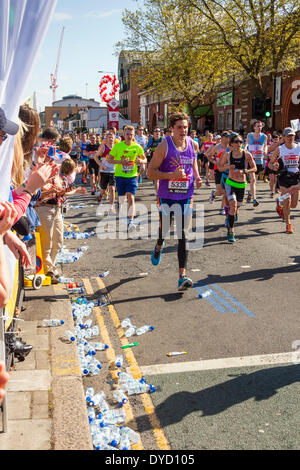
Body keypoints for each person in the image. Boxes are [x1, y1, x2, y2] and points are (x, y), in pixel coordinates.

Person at [147, 111, 202, 290]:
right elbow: (150, 172)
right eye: (179, 127)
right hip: (166, 195)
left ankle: (182, 276)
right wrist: (172, 175)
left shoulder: (193, 144)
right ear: (171, 129)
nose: (183, 130)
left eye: (186, 127)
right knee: (165, 230)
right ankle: (159, 245)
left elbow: (193, 162)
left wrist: (198, 176)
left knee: (183, 235)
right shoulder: (164, 146)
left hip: (186, 195)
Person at [108, 125, 147, 232]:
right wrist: (121, 162)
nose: (129, 136)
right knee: (122, 199)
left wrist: (141, 162)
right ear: (124, 135)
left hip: (132, 176)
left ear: (134, 135)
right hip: (120, 176)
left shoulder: (137, 147)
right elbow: (110, 160)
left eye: (131, 134)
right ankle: (118, 204)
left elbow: (145, 159)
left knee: (131, 197)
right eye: (127, 134)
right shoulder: (118, 146)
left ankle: (130, 221)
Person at [218, 134, 256, 242]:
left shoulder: (247, 154)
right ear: (231, 144)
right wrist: (228, 167)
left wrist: (246, 171)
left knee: (236, 207)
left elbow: (254, 168)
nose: (239, 144)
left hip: (241, 184)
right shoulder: (227, 155)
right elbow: (220, 167)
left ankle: (230, 215)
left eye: (240, 142)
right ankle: (231, 231)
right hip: (230, 183)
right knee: (233, 205)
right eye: (236, 141)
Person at [268, 127, 300, 234]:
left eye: (292, 136)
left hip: (295, 177)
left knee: (294, 204)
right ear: (284, 137)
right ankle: (288, 224)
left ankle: (280, 200)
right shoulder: (280, 149)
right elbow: (270, 164)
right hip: (284, 177)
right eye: (288, 136)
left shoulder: (298, 147)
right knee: (288, 201)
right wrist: (274, 167)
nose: (290, 138)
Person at [207, 131, 230, 214]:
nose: (228, 139)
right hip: (218, 170)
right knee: (220, 192)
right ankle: (214, 193)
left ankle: (222, 208)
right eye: (226, 137)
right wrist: (214, 162)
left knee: (225, 191)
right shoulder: (217, 147)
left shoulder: (231, 147)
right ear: (222, 138)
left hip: (227, 170)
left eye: (229, 137)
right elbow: (209, 156)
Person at [245, 121, 268, 206]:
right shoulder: (249, 135)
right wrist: (245, 149)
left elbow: (265, 146)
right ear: (254, 127)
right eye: (257, 126)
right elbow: (246, 144)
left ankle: (250, 193)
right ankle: (255, 199)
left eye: (260, 126)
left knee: (254, 180)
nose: (259, 128)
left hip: (259, 160)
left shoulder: (264, 136)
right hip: (251, 161)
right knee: (253, 179)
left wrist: (265, 151)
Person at [94, 130, 116, 212]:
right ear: (106, 139)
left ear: (114, 139)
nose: (111, 139)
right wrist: (101, 165)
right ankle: (100, 196)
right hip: (104, 171)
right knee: (103, 190)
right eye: (109, 138)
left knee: (112, 189)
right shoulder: (103, 147)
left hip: (113, 171)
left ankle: (111, 206)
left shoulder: (116, 147)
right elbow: (96, 157)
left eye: (112, 138)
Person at [147, 127, 163, 193]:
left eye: (158, 131)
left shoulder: (163, 140)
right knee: (156, 179)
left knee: (161, 178)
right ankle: (158, 194)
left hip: (162, 161)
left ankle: (161, 192)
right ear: (153, 133)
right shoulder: (151, 140)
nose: (157, 133)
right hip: (153, 160)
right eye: (156, 131)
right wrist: (147, 151)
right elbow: (147, 148)